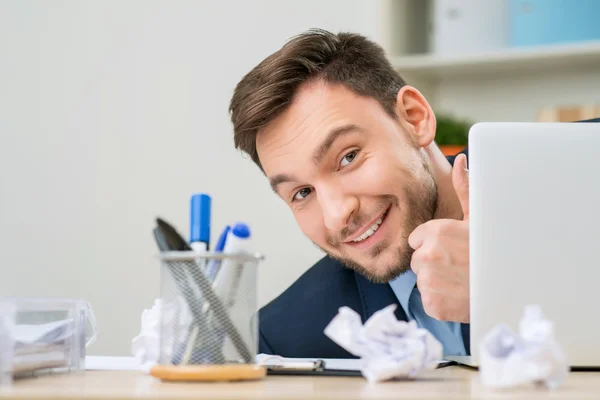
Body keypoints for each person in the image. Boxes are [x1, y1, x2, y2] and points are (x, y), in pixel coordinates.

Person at [227, 28, 594, 359]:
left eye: (348, 157)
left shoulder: (588, 169)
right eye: (303, 192)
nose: (336, 214)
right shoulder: (283, 340)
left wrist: (508, 285)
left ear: (414, 118)